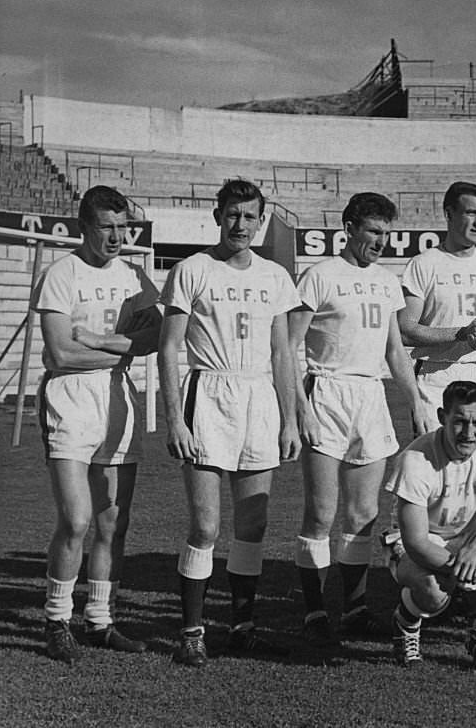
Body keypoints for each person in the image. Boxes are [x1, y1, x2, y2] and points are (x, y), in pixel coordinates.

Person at [158, 179, 301, 667]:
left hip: (259, 397)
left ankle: (242, 628)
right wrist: (174, 419)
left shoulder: (275, 276)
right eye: (233, 215)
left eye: (250, 216)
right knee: (205, 525)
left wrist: (289, 421)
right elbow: (169, 348)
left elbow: (282, 353)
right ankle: (192, 633)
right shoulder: (192, 270)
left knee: (253, 524)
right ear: (217, 216)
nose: (241, 225)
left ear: (261, 221)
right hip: (209, 393)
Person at [289, 192, 428, 644]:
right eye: (373, 231)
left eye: (386, 233)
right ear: (348, 229)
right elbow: (289, 346)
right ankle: (314, 611)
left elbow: (395, 350)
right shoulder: (320, 275)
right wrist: (299, 407)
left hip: (370, 396)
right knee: (321, 512)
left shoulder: (387, 282)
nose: (381, 241)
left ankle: (353, 609)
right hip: (326, 391)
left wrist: (415, 400)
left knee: (364, 513)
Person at [32, 185, 161, 662]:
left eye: (123, 227)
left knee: (113, 521)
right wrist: (123, 348)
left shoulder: (133, 275)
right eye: (106, 227)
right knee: (76, 519)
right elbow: (59, 354)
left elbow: (156, 336)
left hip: (117, 398)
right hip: (69, 399)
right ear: (84, 226)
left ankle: (100, 621)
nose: (116, 237)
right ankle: (57, 619)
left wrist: (100, 340)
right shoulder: (61, 274)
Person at [386, 381, 476, 673]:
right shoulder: (415, 460)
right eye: (460, 421)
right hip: (418, 541)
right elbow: (416, 543)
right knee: (434, 591)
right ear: (442, 417)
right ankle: (406, 622)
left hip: (468, 535)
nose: (468, 432)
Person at [398, 182, 476, 429]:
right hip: (435, 374)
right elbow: (405, 330)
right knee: (435, 451)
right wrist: (461, 333)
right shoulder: (423, 264)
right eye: (471, 213)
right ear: (449, 214)